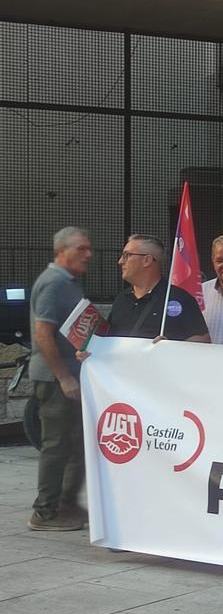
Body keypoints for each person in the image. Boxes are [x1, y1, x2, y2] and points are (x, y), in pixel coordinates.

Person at [27, 227, 92, 531]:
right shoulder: (53, 283)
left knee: (76, 442)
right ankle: (45, 511)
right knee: (56, 444)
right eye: (81, 249)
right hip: (55, 379)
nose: (88, 254)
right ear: (62, 251)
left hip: (68, 376)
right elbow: (43, 334)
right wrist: (64, 377)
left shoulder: (69, 282)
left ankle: (67, 503)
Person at [106, 235, 210, 342]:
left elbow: (203, 340)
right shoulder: (121, 299)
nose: (120, 261)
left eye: (127, 255)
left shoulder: (179, 298)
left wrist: (171, 347)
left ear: (147, 260)